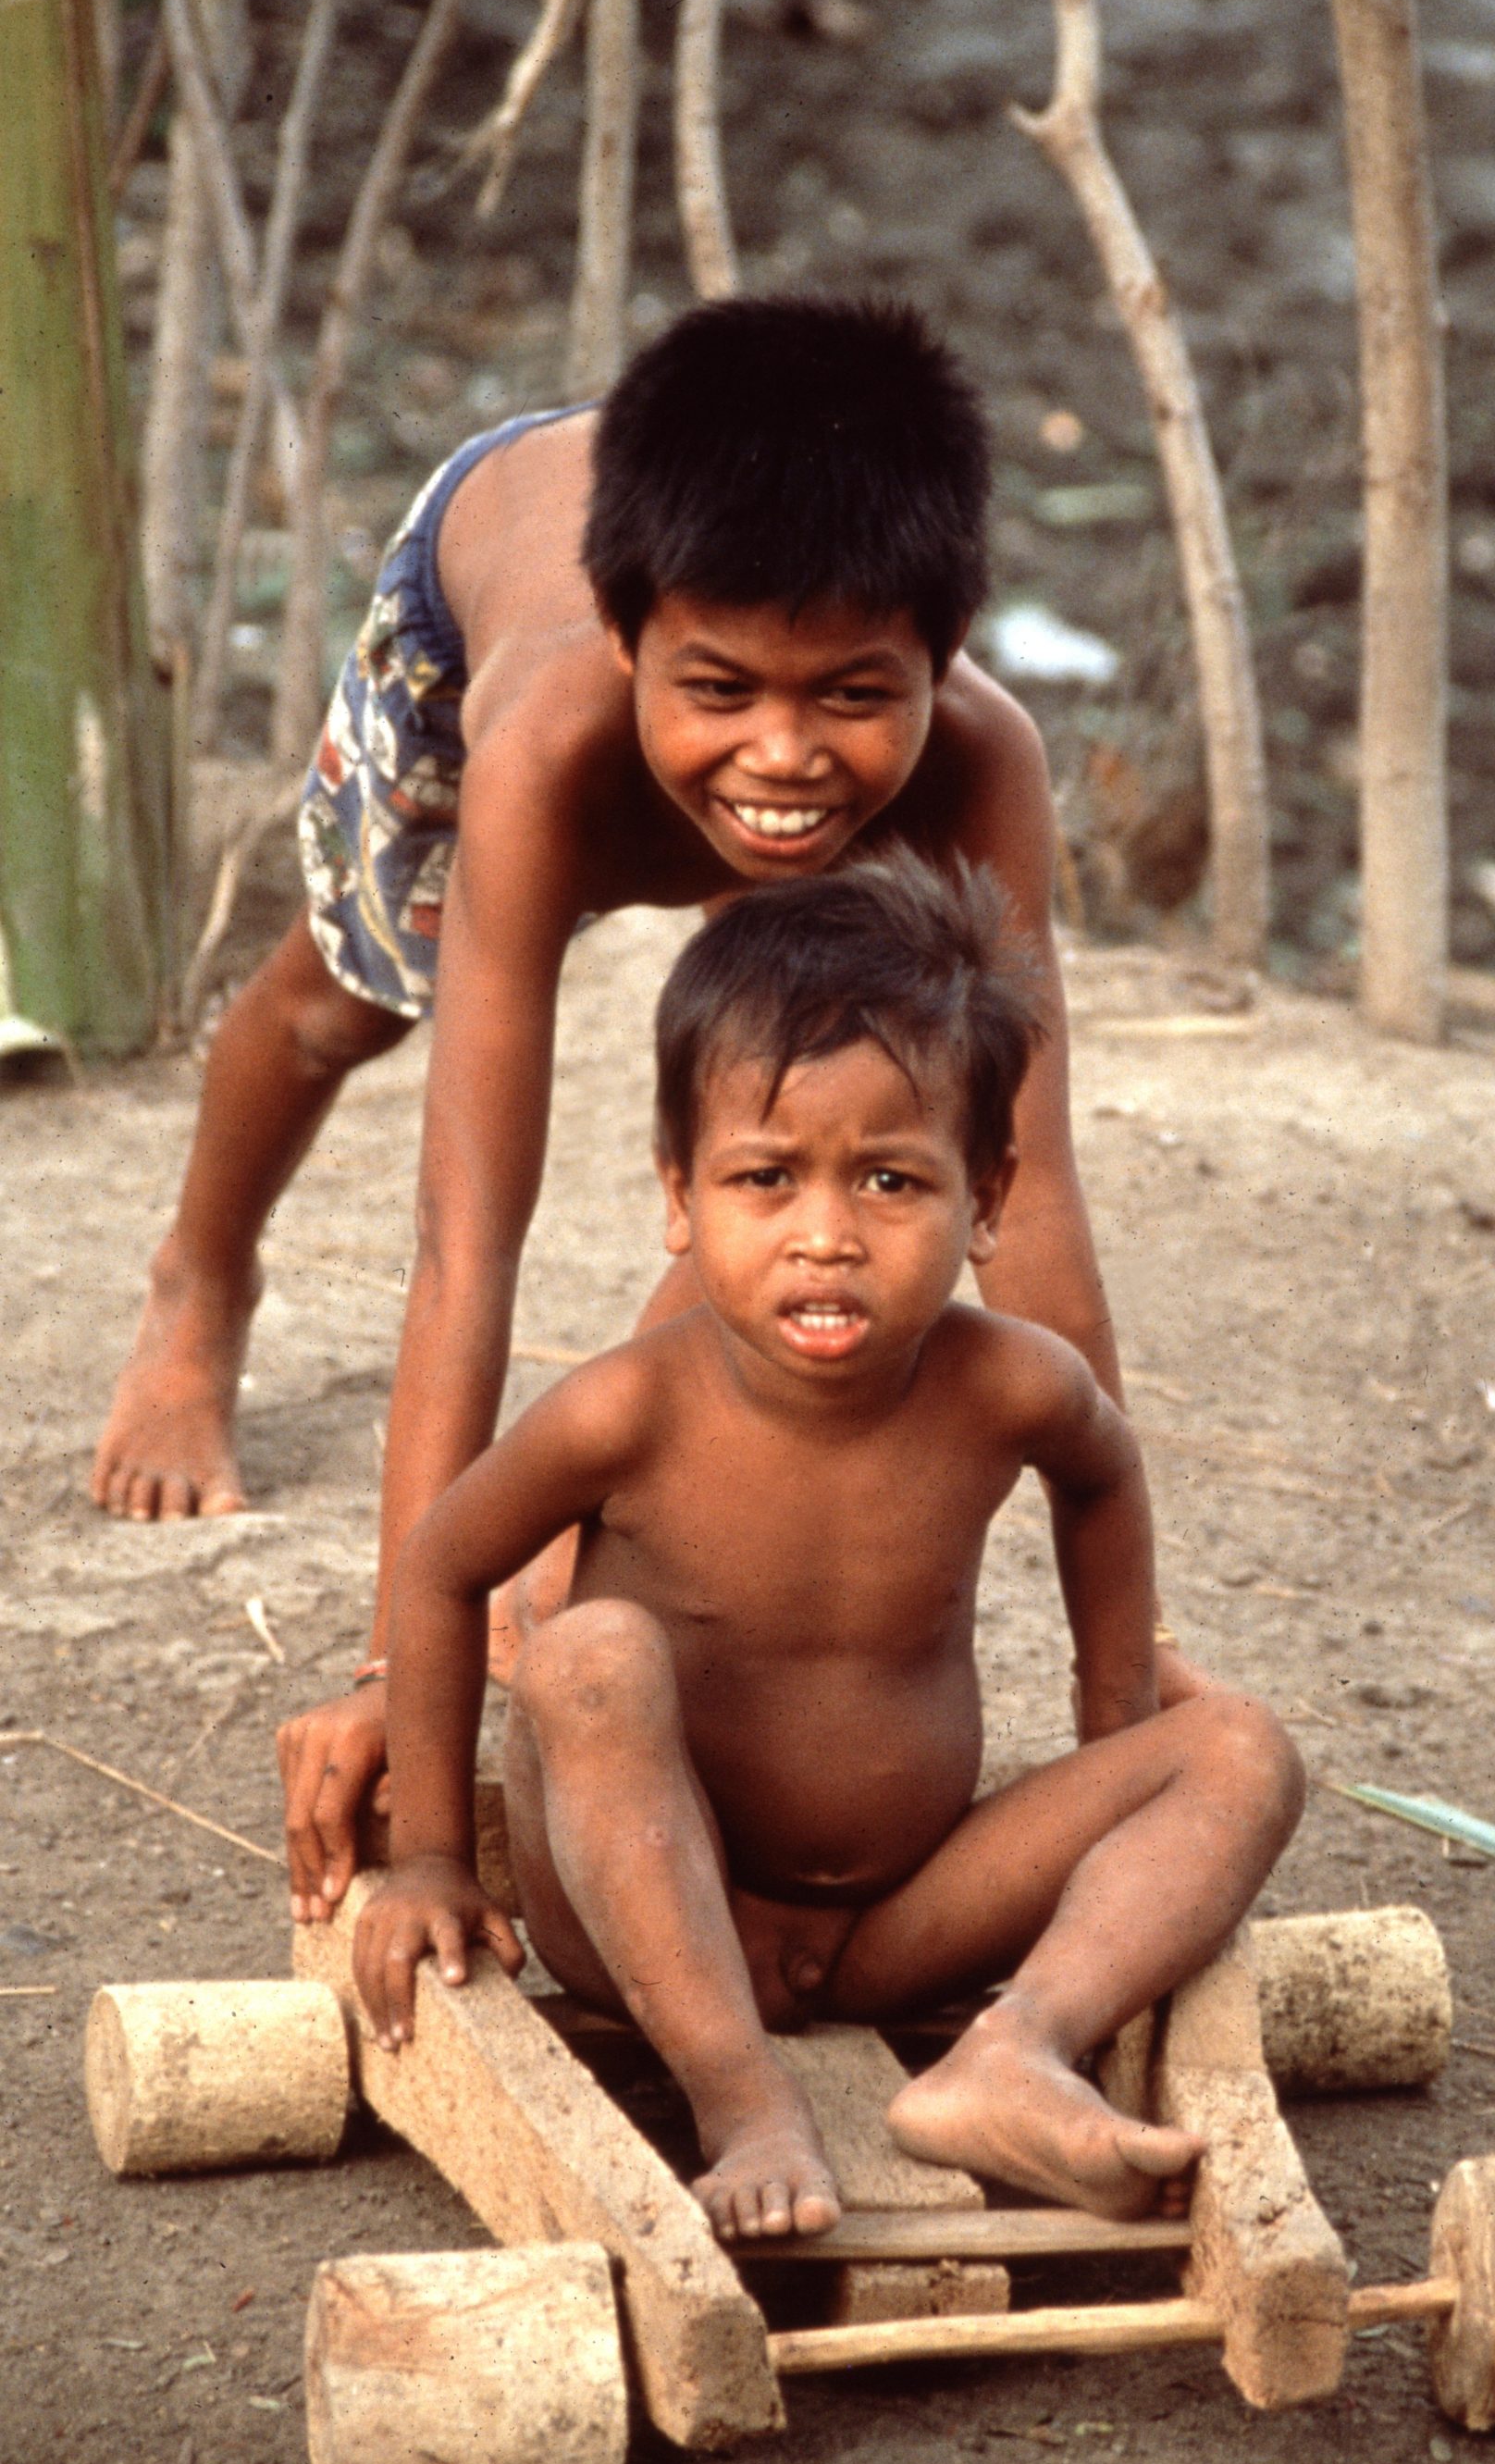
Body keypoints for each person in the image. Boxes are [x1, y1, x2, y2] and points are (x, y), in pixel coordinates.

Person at [88, 299, 1125, 1913]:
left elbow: (1029, 1192)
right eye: (723, 688)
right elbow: (465, 1238)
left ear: (941, 659)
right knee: (334, 1005)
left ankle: (619, 1491)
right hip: (476, 600)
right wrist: (392, 1661)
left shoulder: (976, 763)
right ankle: (200, 1276)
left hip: (726, 584)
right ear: (635, 640)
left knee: (801, 1125)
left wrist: (1115, 1680)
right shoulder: (549, 746)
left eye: (855, 692)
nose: (783, 753)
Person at [352, 858, 1304, 2241]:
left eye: (889, 1178)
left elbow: (1103, 1475)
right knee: (597, 1652)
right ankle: (741, 2097)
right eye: (765, 1176)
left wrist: (1116, 1719)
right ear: (680, 1197)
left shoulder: (1011, 1387)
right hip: (656, 1926)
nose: (825, 1236)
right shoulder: (628, 1408)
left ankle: (1014, 2050)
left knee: (1242, 1749)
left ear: (985, 1198)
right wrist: (436, 1854)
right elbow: (443, 1564)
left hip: (902, 1924)